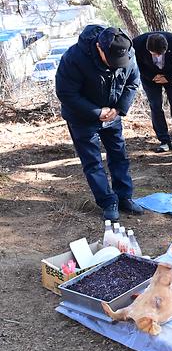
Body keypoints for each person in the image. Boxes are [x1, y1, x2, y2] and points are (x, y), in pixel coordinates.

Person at [55, 25, 144, 221]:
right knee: (93, 161)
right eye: (111, 60)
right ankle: (107, 201)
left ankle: (124, 197)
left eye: (119, 62)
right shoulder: (74, 58)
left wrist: (119, 108)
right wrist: (96, 112)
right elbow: (66, 93)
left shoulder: (127, 52)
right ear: (99, 47)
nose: (115, 65)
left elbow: (133, 82)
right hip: (82, 118)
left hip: (113, 114)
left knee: (119, 155)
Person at [132, 31, 172, 153]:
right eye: (153, 54)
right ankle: (164, 140)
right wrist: (152, 77)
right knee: (156, 106)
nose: (157, 56)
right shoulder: (137, 44)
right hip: (150, 78)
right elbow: (136, 65)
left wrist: (168, 77)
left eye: (159, 54)